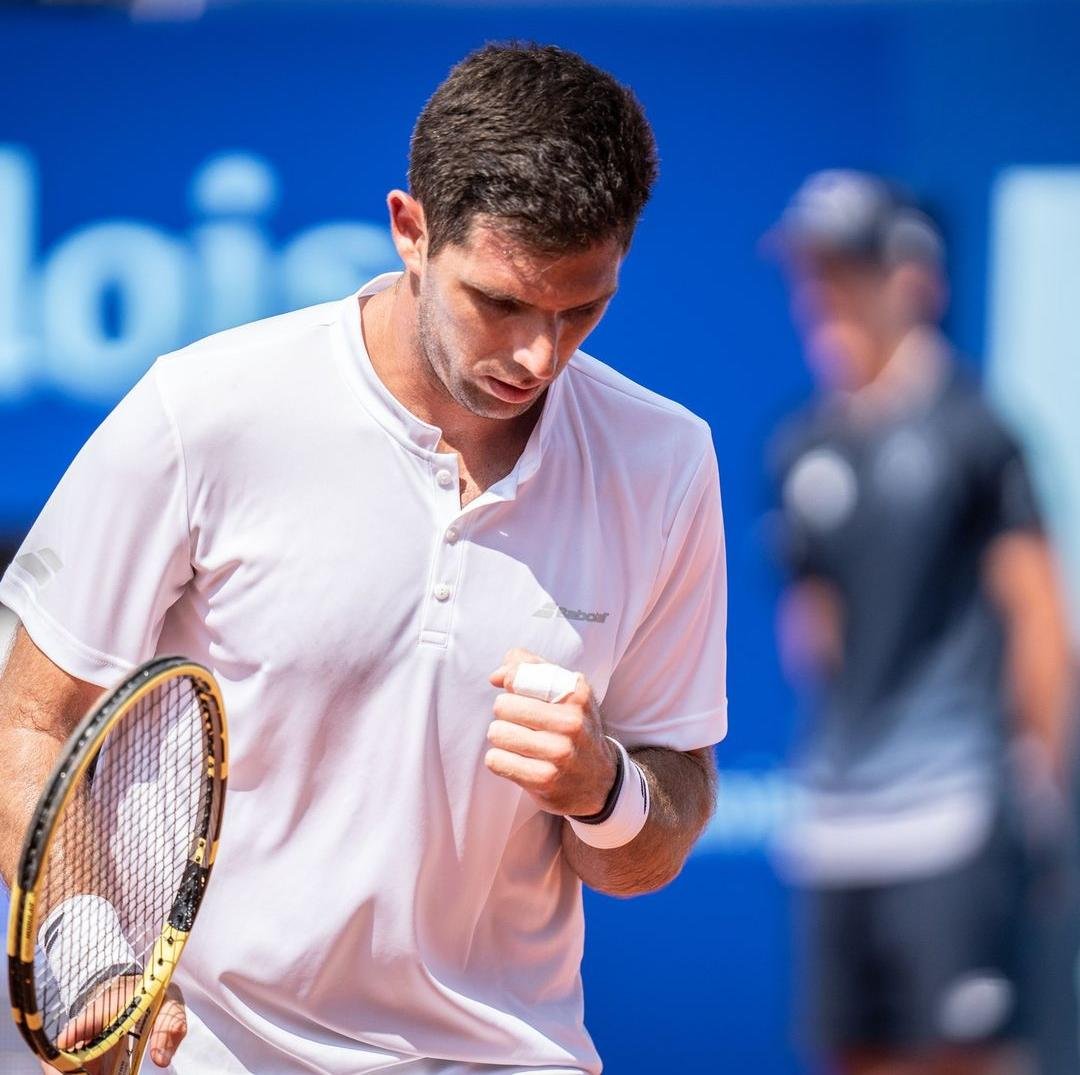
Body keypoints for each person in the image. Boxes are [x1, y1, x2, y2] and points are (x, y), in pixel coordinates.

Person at [0, 43, 727, 1075]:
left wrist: (606, 789)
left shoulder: (665, 460)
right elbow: (31, 718)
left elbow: (663, 819)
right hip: (207, 1054)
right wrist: (91, 955)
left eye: (582, 309)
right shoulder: (201, 409)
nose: (539, 356)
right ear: (410, 231)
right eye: (503, 303)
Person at [766, 170, 1076, 1075]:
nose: (821, 297)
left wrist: (1036, 795)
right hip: (836, 814)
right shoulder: (802, 448)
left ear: (912, 281)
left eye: (844, 271)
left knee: (959, 1059)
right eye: (810, 274)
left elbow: (1042, 618)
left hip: (959, 813)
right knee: (854, 1055)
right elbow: (813, 635)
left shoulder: (978, 430)